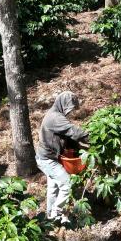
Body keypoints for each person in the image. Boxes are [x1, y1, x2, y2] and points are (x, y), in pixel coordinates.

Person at [36, 91, 88, 224]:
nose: (70, 112)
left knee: (53, 188)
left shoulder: (56, 115)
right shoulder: (55, 118)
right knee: (66, 183)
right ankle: (56, 212)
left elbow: (67, 137)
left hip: (49, 157)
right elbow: (73, 131)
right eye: (70, 108)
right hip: (47, 159)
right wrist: (92, 138)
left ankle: (50, 218)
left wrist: (81, 148)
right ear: (63, 104)